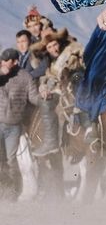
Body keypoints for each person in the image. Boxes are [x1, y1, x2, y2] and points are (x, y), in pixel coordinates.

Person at [30, 28, 90, 157]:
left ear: (59, 43)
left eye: (55, 45)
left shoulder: (73, 51)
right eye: (50, 47)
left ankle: (90, 127)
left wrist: (72, 67)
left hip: (77, 85)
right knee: (44, 102)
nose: (54, 49)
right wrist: (44, 87)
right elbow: (46, 78)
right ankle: (51, 142)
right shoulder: (50, 64)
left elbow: (84, 62)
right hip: (60, 90)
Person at [0, 48, 39, 199]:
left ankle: (12, 192)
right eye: (2, 59)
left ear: (15, 61)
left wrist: (44, 94)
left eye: (6, 60)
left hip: (13, 126)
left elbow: (34, 98)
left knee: (10, 160)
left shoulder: (25, 77)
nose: (3, 62)